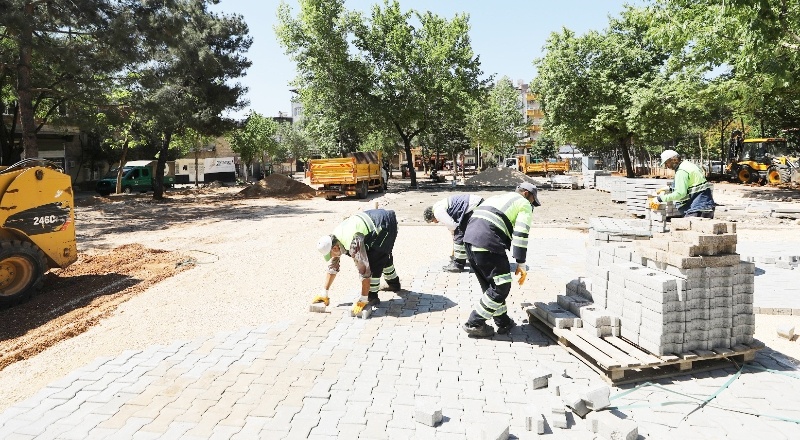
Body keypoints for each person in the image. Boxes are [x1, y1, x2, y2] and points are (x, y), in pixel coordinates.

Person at [461, 182, 541, 338]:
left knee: (492, 286)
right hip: (488, 242)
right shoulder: (523, 204)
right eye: (533, 200)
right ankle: (474, 323)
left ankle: (503, 321)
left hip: (470, 241)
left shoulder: (498, 197)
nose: (532, 205)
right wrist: (521, 263)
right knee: (501, 286)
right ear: (525, 194)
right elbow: (521, 234)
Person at [313, 209, 401, 316]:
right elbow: (333, 265)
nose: (332, 257)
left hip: (385, 224)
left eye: (331, 254)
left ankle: (371, 296)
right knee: (382, 255)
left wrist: (363, 298)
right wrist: (324, 292)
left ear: (335, 248)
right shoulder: (334, 238)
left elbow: (364, 271)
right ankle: (394, 283)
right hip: (376, 220)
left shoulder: (353, 244)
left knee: (375, 259)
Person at [423, 194, 484, 272]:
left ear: (432, 217)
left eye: (432, 221)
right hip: (475, 203)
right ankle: (470, 259)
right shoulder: (439, 205)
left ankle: (458, 264)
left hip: (471, 206)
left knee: (459, 235)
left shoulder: (437, 212)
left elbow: (453, 226)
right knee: (467, 234)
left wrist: (454, 238)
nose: (435, 222)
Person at [651, 150, 716, 218]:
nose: (666, 166)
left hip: (696, 209)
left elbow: (680, 194)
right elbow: (692, 183)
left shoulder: (681, 171)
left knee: (690, 227)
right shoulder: (689, 165)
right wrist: (670, 188)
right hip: (707, 206)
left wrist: (660, 199)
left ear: (674, 160)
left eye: (667, 163)